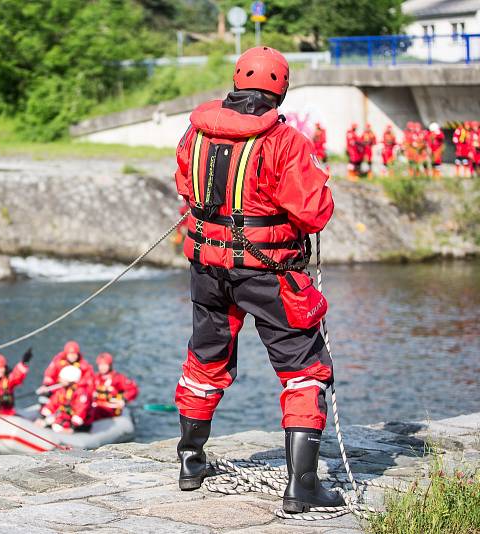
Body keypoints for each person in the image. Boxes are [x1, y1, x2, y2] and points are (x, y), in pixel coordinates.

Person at [172, 46, 343, 514]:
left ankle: (190, 461)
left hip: (208, 270)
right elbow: (313, 211)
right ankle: (302, 486)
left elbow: (186, 186)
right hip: (269, 274)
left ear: (237, 79)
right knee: (304, 368)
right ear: (280, 88)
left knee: (205, 360)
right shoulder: (285, 141)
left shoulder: (197, 130)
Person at [38, 365, 91, 433]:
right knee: (47, 422)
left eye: (62, 378)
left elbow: (80, 411)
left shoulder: (81, 393)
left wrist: (72, 427)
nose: (60, 380)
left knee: (57, 427)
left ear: (70, 380)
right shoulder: (63, 390)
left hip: (78, 424)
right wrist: (43, 417)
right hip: (64, 417)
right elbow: (53, 403)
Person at [91, 352, 139, 421]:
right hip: (96, 406)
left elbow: (133, 389)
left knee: (95, 412)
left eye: (105, 365)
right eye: (101, 365)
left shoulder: (117, 378)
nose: (102, 368)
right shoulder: (95, 378)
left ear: (110, 365)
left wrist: (124, 399)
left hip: (111, 409)